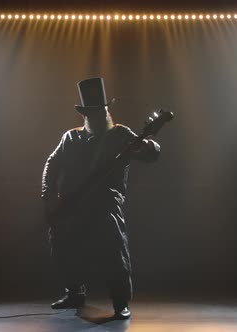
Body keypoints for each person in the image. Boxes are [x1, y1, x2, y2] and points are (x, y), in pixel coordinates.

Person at [41, 77, 160, 319]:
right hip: (71, 204)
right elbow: (51, 164)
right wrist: (49, 196)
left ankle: (120, 302)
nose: (97, 115)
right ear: (85, 114)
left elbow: (151, 154)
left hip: (106, 203)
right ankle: (74, 292)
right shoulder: (70, 137)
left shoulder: (120, 134)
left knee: (114, 250)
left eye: (101, 111)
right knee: (63, 246)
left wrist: (148, 145)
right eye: (92, 112)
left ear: (106, 111)